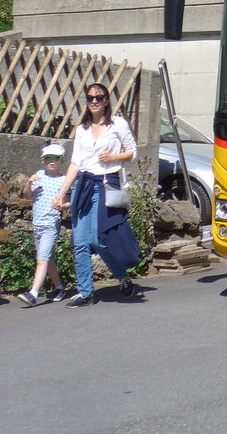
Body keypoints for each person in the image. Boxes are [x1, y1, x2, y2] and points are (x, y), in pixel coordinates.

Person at [54, 83, 141, 307]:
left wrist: (113, 158)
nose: (95, 101)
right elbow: (75, 162)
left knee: (99, 238)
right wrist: (62, 193)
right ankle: (85, 292)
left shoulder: (117, 124)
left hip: (105, 184)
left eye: (99, 98)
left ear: (106, 101)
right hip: (83, 185)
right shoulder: (82, 128)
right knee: (80, 242)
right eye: (91, 97)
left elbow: (133, 151)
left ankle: (122, 276)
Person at [17, 142, 70, 306]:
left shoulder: (63, 181)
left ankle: (33, 293)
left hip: (50, 224)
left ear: (62, 161)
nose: (52, 161)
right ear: (42, 160)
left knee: (42, 260)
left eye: (56, 158)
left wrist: (62, 206)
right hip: (37, 224)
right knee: (49, 259)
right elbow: (26, 196)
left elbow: (68, 203)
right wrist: (28, 183)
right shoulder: (39, 175)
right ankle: (60, 288)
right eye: (48, 158)